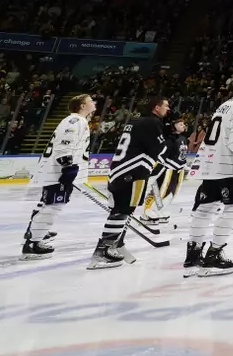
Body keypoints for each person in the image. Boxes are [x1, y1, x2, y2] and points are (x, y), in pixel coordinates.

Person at [185, 78, 233, 278]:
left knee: (204, 209)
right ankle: (213, 256)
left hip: (211, 165)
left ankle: (192, 257)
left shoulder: (223, 106)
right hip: (229, 166)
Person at [92, 95, 168, 270]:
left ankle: (115, 244)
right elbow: (159, 149)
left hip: (119, 170)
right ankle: (103, 250)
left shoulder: (133, 121)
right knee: (122, 210)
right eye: (165, 106)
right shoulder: (152, 123)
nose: (168, 109)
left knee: (121, 210)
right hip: (132, 172)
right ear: (156, 108)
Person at [21, 94, 93, 260]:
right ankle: (33, 243)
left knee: (48, 203)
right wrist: (67, 166)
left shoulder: (75, 120)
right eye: (90, 101)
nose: (94, 103)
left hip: (56, 171)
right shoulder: (76, 121)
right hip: (58, 172)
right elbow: (65, 144)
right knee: (53, 205)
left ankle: (35, 233)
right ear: (82, 105)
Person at [144, 116, 188, 223]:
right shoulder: (169, 140)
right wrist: (154, 171)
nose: (183, 125)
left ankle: (159, 210)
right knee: (159, 191)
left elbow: (181, 155)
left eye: (183, 124)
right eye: (180, 124)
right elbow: (161, 156)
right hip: (168, 170)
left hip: (179, 171)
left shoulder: (183, 139)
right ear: (173, 125)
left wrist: (185, 165)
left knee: (172, 193)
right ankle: (147, 212)